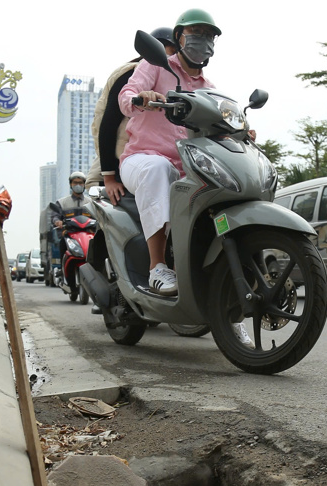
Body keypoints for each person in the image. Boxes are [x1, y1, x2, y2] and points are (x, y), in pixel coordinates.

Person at [117, 9, 221, 297]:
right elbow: (126, 97)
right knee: (158, 169)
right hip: (142, 159)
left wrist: (240, 131)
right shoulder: (156, 66)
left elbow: (218, 126)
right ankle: (157, 267)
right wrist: (143, 98)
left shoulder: (210, 89)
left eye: (209, 35)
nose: (204, 40)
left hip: (189, 168)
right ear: (179, 37)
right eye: (196, 33)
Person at [86, 27, 178, 204]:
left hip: (149, 162)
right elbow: (109, 122)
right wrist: (109, 178)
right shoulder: (132, 72)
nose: (175, 59)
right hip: (120, 167)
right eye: (172, 52)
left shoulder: (173, 80)